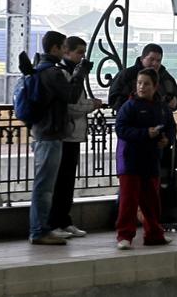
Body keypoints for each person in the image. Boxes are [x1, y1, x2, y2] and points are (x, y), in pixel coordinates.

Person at [29, 30, 91, 245]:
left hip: (45, 132)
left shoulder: (39, 69)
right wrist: (81, 74)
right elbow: (71, 97)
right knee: (46, 187)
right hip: (50, 133)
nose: (66, 51)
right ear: (55, 48)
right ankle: (41, 230)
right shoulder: (54, 73)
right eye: (64, 47)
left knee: (47, 185)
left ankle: (45, 227)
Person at [47, 35, 102, 239]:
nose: (82, 57)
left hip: (73, 135)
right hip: (64, 135)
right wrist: (91, 105)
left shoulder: (74, 73)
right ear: (66, 51)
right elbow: (70, 105)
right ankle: (54, 222)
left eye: (83, 52)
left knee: (68, 181)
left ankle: (64, 220)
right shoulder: (63, 74)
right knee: (60, 181)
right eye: (78, 52)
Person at [114, 68, 176, 249]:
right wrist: (144, 133)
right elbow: (121, 129)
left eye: (146, 84)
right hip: (130, 159)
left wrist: (167, 140)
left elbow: (171, 127)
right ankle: (124, 235)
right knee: (128, 200)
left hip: (151, 159)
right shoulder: (129, 106)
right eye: (139, 83)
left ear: (155, 86)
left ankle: (154, 233)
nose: (141, 87)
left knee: (151, 200)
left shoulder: (162, 108)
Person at [108, 44, 177, 113]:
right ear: (142, 59)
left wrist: (176, 101)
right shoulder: (127, 75)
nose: (155, 63)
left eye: (158, 60)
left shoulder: (165, 77)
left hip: (160, 122)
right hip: (132, 122)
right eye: (151, 59)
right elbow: (114, 99)